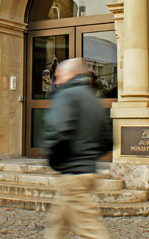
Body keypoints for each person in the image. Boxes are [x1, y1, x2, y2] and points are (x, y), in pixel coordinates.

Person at [42, 58, 112, 239]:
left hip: (73, 173)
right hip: (86, 171)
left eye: (58, 76)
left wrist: (55, 160)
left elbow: (59, 132)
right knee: (57, 223)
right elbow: (107, 140)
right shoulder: (93, 99)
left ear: (71, 75)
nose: (55, 82)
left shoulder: (67, 96)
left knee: (91, 230)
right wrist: (89, 157)